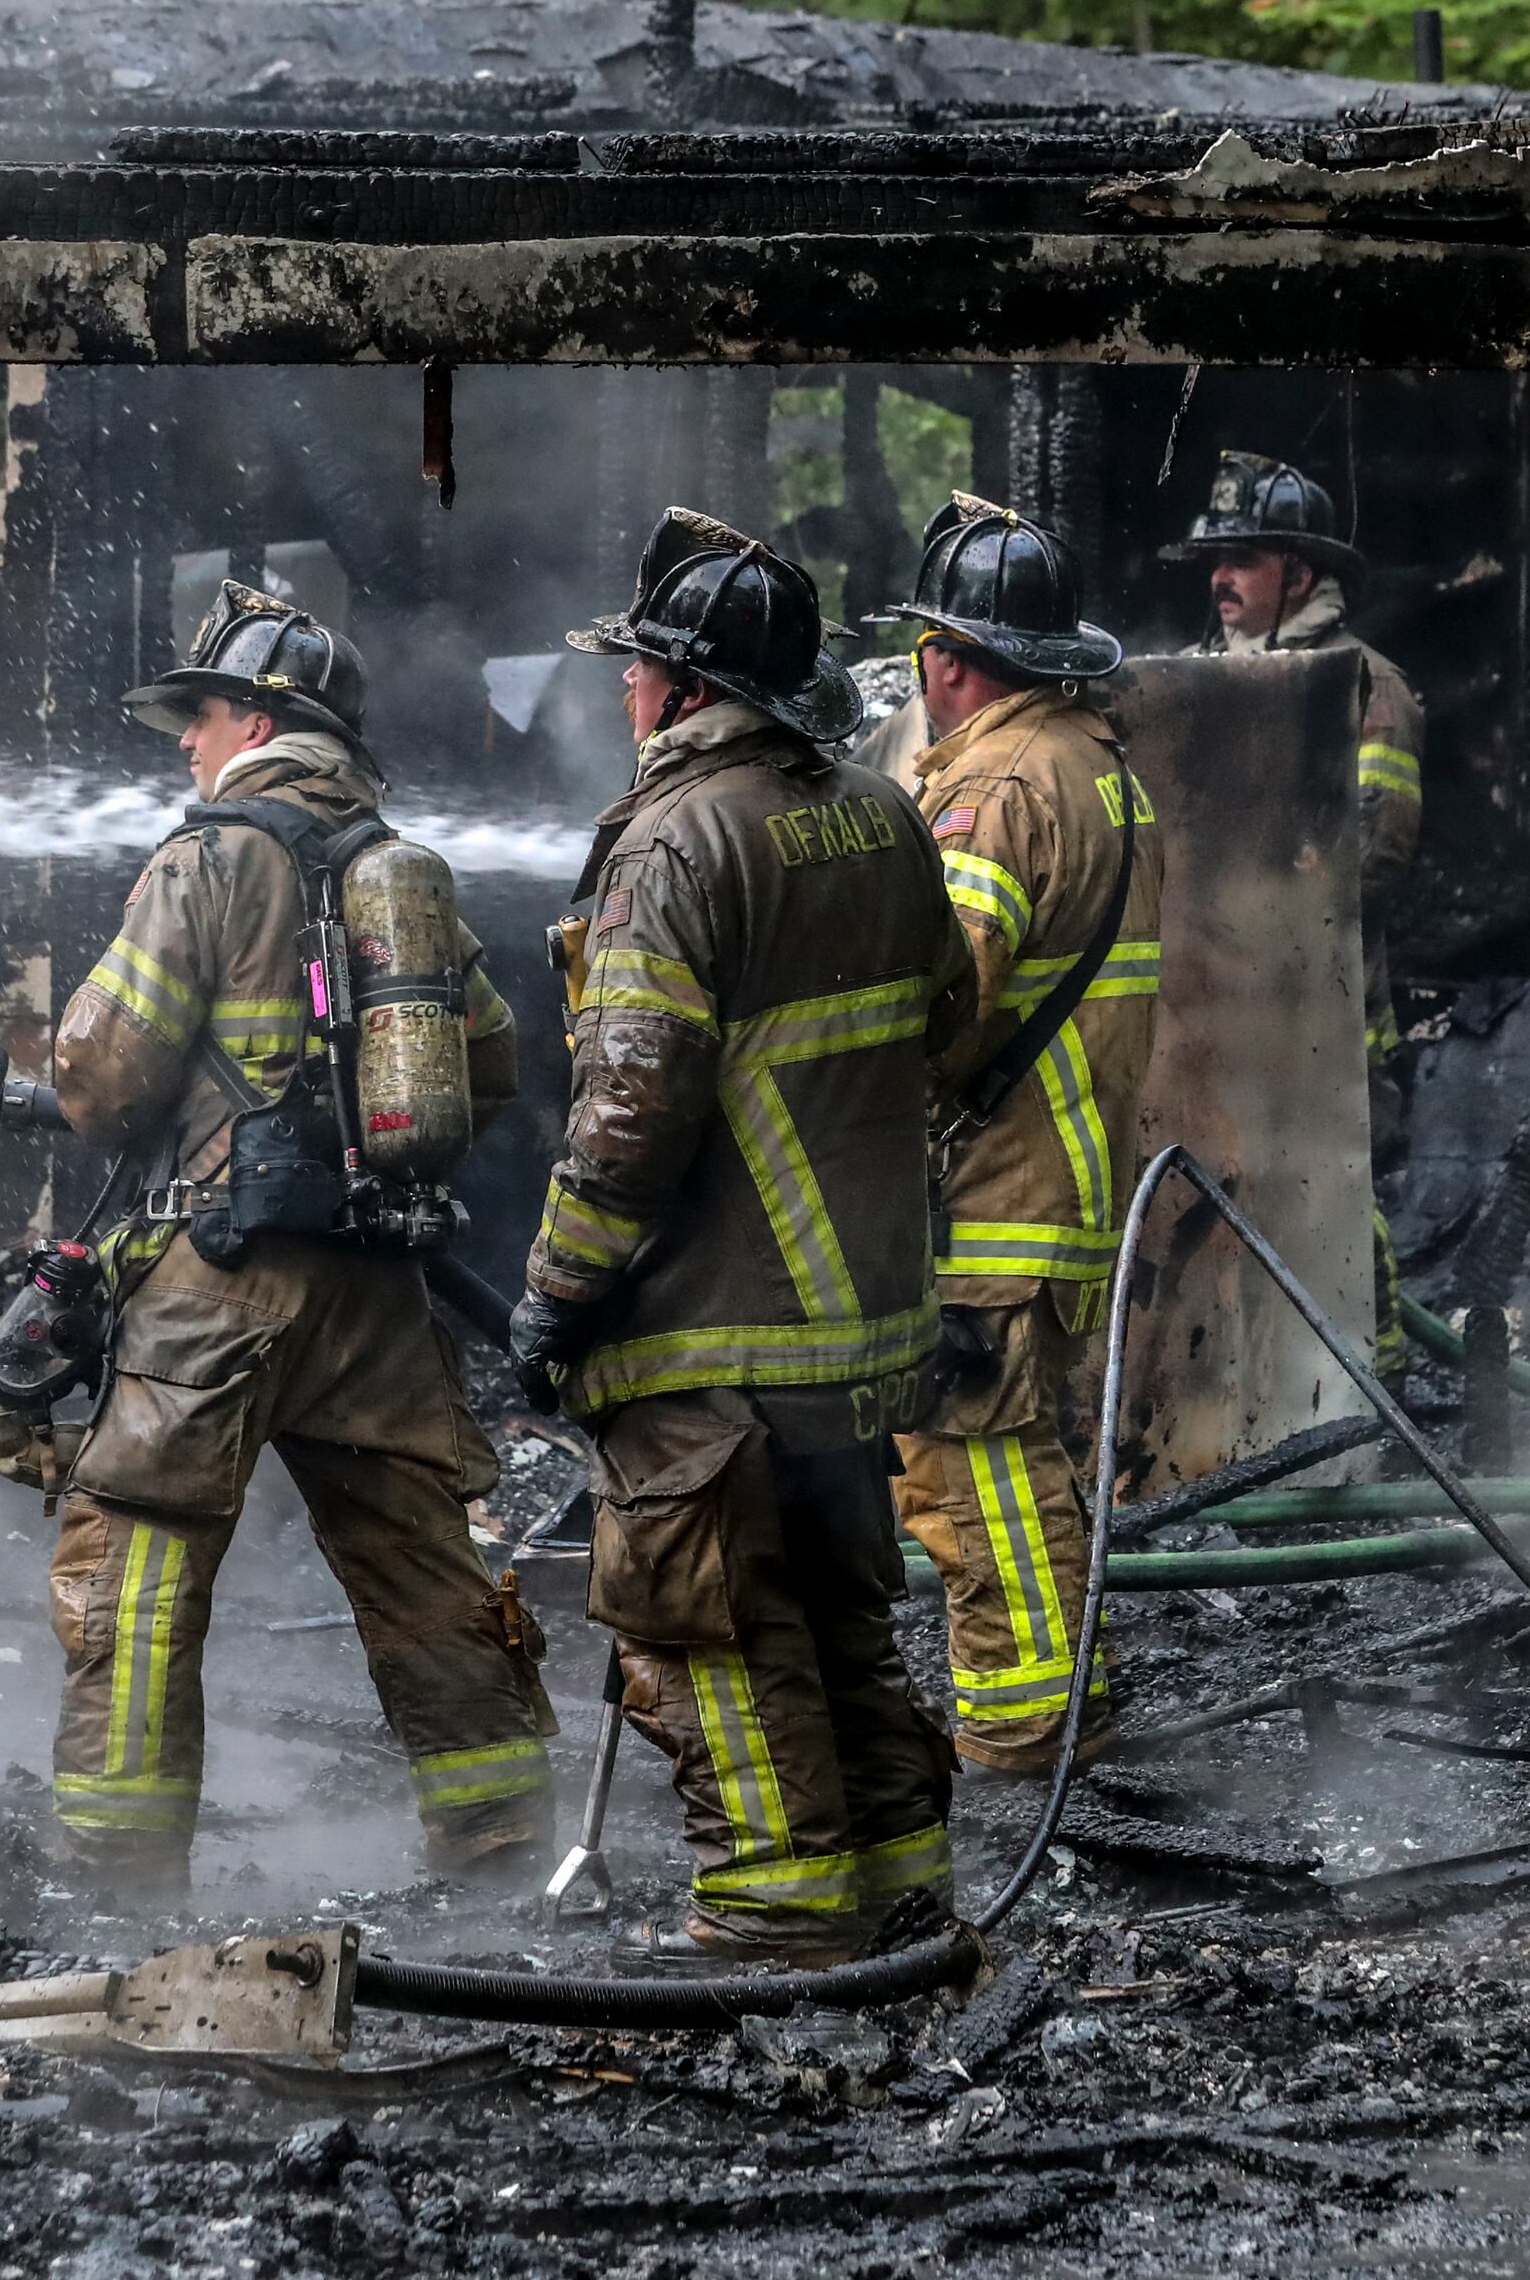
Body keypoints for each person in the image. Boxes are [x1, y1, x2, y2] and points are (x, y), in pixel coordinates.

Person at [8, 581, 553, 1904]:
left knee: (130, 1562)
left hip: (220, 1282)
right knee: (425, 1563)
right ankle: (500, 1852)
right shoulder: (391, 869)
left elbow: (98, 1080)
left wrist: (32, 1063)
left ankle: (121, 1882)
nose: (186, 742)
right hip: (378, 1288)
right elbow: (488, 1063)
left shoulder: (205, 859)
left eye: (197, 716)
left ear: (256, 717)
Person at [509, 511, 971, 1965]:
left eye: (638, 669)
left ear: (682, 687)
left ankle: (780, 1918)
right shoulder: (885, 816)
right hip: (858, 1329)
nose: (624, 693)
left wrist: (555, 1296)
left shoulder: (670, 842)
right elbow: (950, 1026)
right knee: (841, 1612)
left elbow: (630, 1109)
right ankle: (906, 1895)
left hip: (710, 1326)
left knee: (705, 1626)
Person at [882, 496, 1163, 1774]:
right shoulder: (1094, 761)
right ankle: (1064, 1705)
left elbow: (944, 999)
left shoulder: (994, 789)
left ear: (948, 657)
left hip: (999, 1194)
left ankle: (1031, 1726)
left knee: (974, 1473)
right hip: (1066, 1187)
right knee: (1034, 1460)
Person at [1168, 450, 1423, 1363]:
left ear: (1301, 572)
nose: (1219, 576)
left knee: (1330, 1184)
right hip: (1213, 989)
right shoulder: (1198, 678)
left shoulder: (1364, 687)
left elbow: (1377, 851)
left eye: (1243, 558)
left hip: (1323, 996)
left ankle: (1374, 1383)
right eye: (1215, 559)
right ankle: (1257, 1382)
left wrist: (1258, 909)